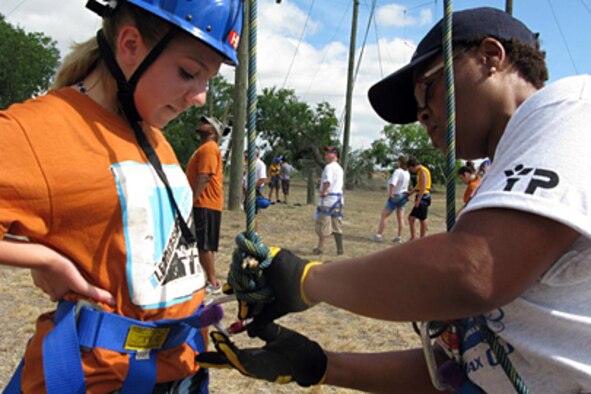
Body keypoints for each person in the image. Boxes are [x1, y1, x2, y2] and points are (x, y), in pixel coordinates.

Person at [196, 7, 591, 393]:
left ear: (490, 57)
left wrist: (307, 280)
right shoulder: (500, 182)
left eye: (427, 88)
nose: (422, 113)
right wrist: (318, 365)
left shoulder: (571, 106)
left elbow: (475, 270)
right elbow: (461, 370)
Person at [0, 0, 243, 392]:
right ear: (130, 45)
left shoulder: (153, 136)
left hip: (179, 372)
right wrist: (42, 256)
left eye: (208, 80)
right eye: (189, 72)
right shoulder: (38, 132)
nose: (199, 97)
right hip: (97, 381)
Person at [185, 115, 225, 295]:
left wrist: (191, 201)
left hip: (205, 202)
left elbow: (204, 176)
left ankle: (213, 282)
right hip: (203, 203)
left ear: (211, 131)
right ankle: (205, 278)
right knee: (201, 243)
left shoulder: (209, 148)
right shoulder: (204, 148)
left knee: (204, 244)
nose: (200, 123)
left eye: (205, 122)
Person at [313, 146, 344, 256]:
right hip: (338, 200)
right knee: (336, 226)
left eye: (329, 153)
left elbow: (328, 181)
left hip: (328, 201)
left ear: (335, 155)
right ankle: (340, 249)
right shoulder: (339, 168)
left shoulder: (329, 167)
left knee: (323, 225)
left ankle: (320, 248)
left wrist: (324, 191)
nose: (326, 155)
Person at [372, 155, 410, 243]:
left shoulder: (398, 171)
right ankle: (399, 236)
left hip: (396, 195)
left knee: (384, 215)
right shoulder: (407, 172)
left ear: (400, 162)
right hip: (403, 195)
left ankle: (379, 235)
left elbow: (393, 183)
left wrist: (390, 194)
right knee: (400, 217)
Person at [406, 156, 432, 240]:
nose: (411, 171)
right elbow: (419, 185)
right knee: (414, 218)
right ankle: (414, 238)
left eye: (410, 169)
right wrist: (411, 192)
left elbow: (423, 187)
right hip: (421, 196)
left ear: (413, 166)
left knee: (420, 219)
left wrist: (418, 200)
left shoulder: (423, 171)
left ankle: (421, 239)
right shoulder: (420, 172)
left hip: (424, 197)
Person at [243, 148, 267, 231]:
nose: (246, 156)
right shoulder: (248, 164)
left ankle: (254, 233)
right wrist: (244, 187)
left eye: (248, 154)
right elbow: (245, 176)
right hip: (247, 190)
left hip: (255, 190)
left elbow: (262, 179)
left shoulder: (260, 164)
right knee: (248, 212)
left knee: (253, 213)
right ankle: (249, 231)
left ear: (255, 154)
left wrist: (252, 189)